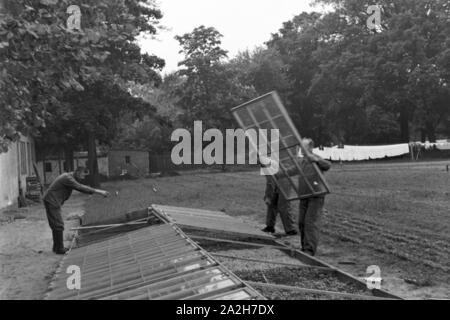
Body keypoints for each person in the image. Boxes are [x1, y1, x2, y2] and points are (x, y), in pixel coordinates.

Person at [43, 167, 110, 254]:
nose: (83, 177)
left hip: (51, 200)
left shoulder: (69, 177)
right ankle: (59, 249)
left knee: (56, 224)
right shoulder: (68, 178)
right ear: (77, 172)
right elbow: (80, 187)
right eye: (82, 174)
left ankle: (57, 247)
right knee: (58, 224)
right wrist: (100, 192)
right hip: (52, 201)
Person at [298, 138, 331, 256]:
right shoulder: (302, 161)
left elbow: (327, 165)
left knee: (310, 222)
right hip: (304, 195)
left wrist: (316, 160)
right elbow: (292, 170)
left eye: (303, 146)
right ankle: (304, 247)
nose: (300, 148)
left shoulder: (315, 158)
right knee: (301, 222)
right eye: (300, 146)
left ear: (310, 148)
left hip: (315, 195)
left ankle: (309, 250)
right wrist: (277, 173)